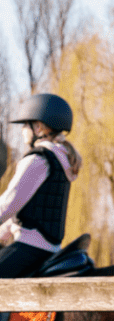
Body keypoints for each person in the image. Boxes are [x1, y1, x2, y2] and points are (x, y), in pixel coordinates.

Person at [0, 93, 81, 278]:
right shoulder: (61, 159)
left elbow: (9, 203)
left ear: (37, 127)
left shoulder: (38, 159)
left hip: (29, 248)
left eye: (25, 125)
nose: (22, 130)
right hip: (49, 248)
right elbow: (25, 209)